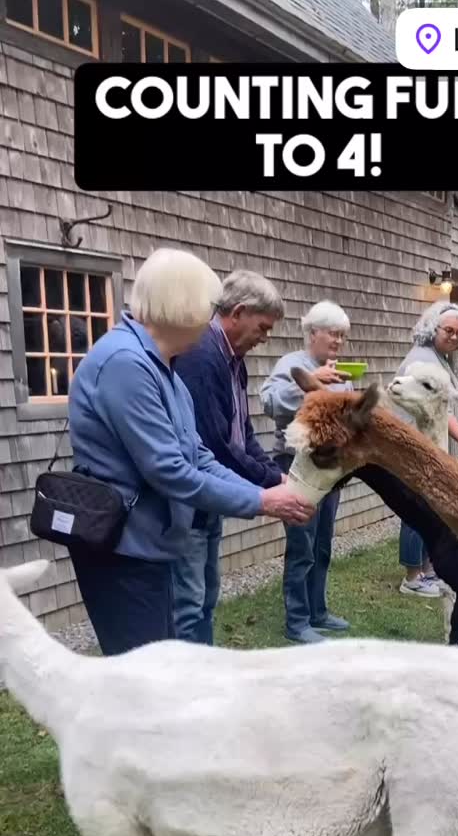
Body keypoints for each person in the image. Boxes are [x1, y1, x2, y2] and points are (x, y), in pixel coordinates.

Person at [68, 248, 314, 657]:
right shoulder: (125, 363)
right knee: (144, 675)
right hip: (122, 551)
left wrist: (268, 492)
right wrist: (262, 501)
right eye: (208, 307)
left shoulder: (163, 367)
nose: (211, 318)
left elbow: (200, 457)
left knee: (167, 662)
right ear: (182, 304)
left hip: (153, 546)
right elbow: (169, 471)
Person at [173, 270, 285, 644]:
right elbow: (216, 445)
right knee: (188, 606)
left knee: (206, 597)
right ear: (237, 313)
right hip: (189, 503)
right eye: (263, 327)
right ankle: (188, 676)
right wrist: (272, 484)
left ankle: (205, 668)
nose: (264, 338)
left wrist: (275, 474)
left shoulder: (233, 358)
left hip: (212, 499)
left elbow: (243, 433)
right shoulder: (202, 356)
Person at [261, 301, 352, 644]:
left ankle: (318, 612)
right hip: (296, 467)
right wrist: (309, 383)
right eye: (333, 334)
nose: (338, 341)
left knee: (323, 544)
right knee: (302, 546)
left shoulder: (340, 373)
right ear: (313, 333)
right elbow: (269, 403)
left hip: (330, 470)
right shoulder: (291, 364)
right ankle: (297, 622)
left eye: (342, 335)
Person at [394, 301, 458, 598]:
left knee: (430, 508)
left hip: (430, 445)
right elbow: (440, 410)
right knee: (416, 509)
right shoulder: (422, 360)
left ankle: (427, 570)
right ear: (432, 328)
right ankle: (413, 577)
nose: (453, 337)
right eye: (448, 330)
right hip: (416, 445)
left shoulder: (437, 357)